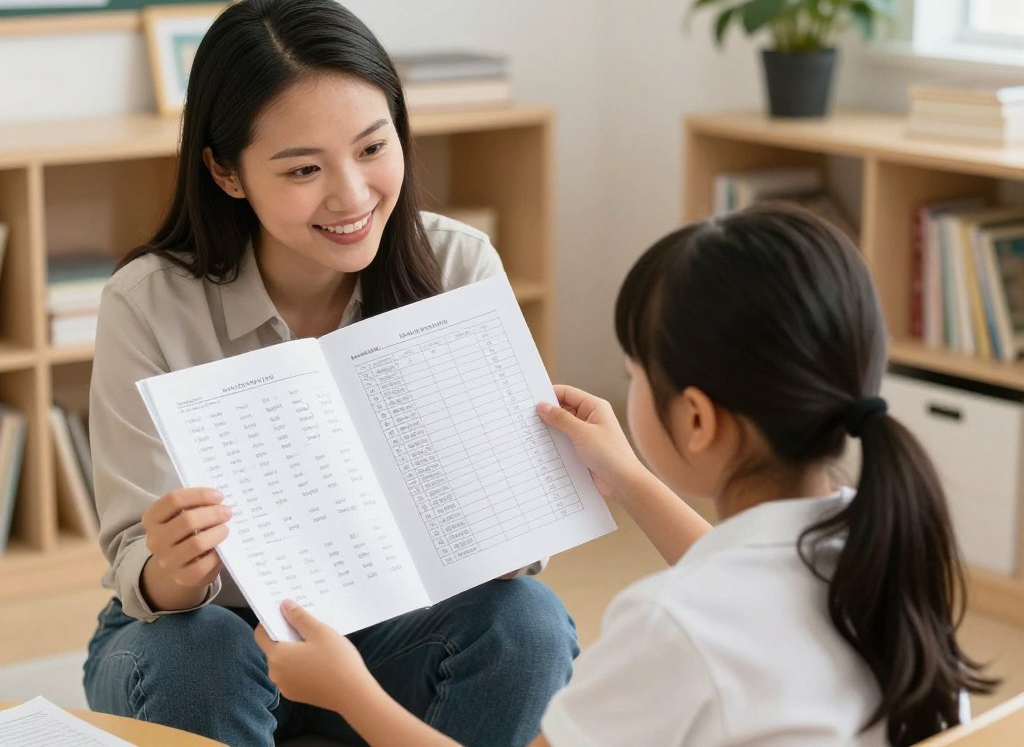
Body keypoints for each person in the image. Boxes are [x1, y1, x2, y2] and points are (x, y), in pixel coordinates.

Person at [256, 202, 997, 747]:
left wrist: (348, 690)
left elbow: (715, 610)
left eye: (634, 372)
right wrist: (630, 477)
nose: (626, 388)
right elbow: (745, 584)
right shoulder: (881, 545)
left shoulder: (670, 625)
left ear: (698, 419)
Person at [83, 0, 578, 747]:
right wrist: (175, 571)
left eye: (374, 148)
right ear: (226, 172)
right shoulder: (147, 302)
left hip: (390, 631)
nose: (352, 195)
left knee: (529, 625)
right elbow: (136, 565)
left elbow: (514, 541)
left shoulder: (458, 264)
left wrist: (506, 522)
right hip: (202, 632)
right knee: (201, 654)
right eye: (303, 168)